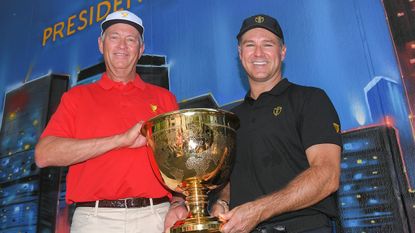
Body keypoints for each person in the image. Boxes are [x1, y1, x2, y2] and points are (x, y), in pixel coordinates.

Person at [35, 10, 187, 233]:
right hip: (94, 221)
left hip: (156, 217)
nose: (122, 46)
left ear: (141, 49)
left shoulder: (164, 99)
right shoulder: (76, 97)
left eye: (131, 39)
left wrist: (178, 202)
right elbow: (43, 154)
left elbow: (180, 163)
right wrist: (120, 140)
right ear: (101, 44)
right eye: (114, 37)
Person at [211, 14, 342, 233]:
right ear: (240, 54)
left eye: (268, 44)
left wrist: (259, 210)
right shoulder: (229, 119)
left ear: (282, 52)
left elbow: (328, 175)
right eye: (250, 45)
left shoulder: (310, 100)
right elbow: (231, 181)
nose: (258, 53)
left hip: (304, 227)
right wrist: (222, 203)